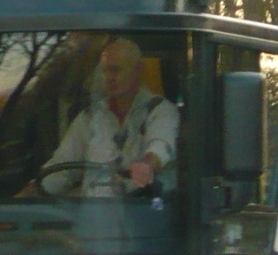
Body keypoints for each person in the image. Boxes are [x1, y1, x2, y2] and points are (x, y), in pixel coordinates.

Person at [37, 38, 179, 197]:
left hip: (144, 212)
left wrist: (146, 166)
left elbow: (161, 145)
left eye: (115, 70)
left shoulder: (160, 110)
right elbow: (61, 168)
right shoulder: (90, 117)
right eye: (105, 71)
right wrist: (27, 196)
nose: (109, 77)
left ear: (138, 70)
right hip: (95, 216)